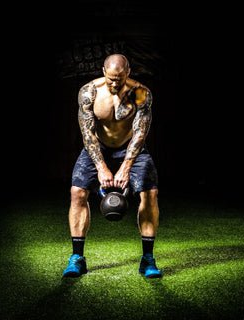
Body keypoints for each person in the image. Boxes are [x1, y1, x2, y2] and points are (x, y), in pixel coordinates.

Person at [63, 54, 161, 278]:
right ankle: (77, 258)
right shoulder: (90, 92)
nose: (115, 84)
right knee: (77, 192)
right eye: (111, 79)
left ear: (128, 72)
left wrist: (126, 166)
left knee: (150, 193)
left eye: (119, 79)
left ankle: (147, 259)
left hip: (131, 148)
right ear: (103, 72)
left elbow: (140, 133)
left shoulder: (140, 93)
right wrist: (101, 167)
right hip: (98, 147)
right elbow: (87, 134)